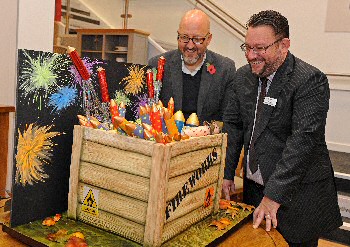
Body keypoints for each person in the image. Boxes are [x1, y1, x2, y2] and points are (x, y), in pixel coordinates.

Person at [222, 10, 342, 246]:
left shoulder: (309, 80)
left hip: (296, 197)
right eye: (246, 47)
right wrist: (226, 174)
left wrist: (273, 196)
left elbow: (302, 143)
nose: (250, 55)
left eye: (260, 48)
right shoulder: (242, 77)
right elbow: (233, 127)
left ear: (283, 45)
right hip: (254, 190)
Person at [148, 9, 236, 124]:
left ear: (208, 39)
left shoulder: (225, 69)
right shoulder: (158, 65)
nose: (190, 46)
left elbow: (229, 121)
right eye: (184, 37)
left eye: (197, 39)